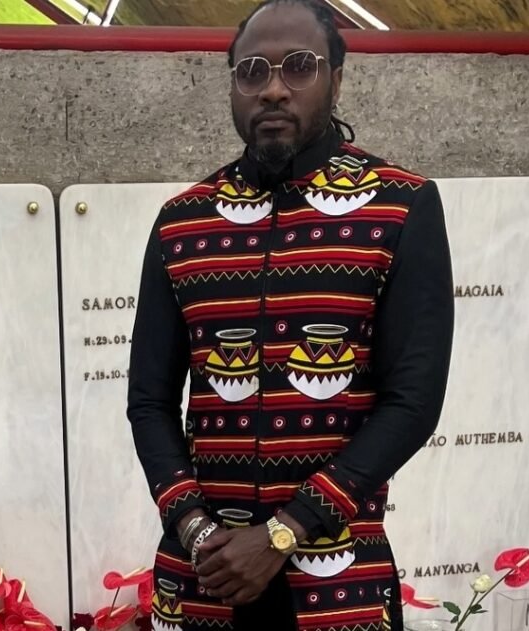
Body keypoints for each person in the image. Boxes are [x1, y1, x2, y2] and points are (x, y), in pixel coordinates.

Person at [128, 2, 454, 630]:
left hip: (338, 579)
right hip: (204, 575)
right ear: (232, 86)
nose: (274, 88)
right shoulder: (182, 223)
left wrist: (284, 531)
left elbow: (412, 403)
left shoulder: (399, 208)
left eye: (299, 67)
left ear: (337, 78)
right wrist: (195, 528)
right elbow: (149, 400)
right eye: (252, 71)